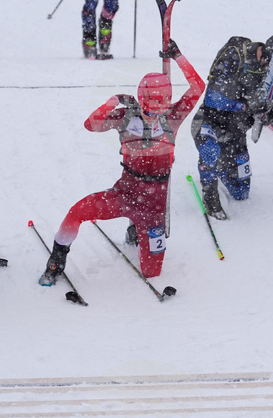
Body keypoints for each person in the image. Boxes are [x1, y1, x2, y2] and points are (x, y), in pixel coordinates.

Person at [39, 38, 204, 286]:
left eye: (159, 111)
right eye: (149, 110)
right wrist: (113, 101)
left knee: (152, 273)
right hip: (125, 194)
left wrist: (178, 56)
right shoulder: (126, 116)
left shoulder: (173, 117)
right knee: (76, 212)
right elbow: (90, 125)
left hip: (154, 209)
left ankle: (136, 229)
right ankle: (56, 260)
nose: (154, 116)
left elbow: (198, 87)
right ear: (141, 101)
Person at [191, 34, 273, 220]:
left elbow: (267, 100)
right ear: (268, 56)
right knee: (210, 151)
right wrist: (246, 105)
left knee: (241, 192)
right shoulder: (235, 54)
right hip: (210, 121)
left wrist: (268, 111)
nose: (271, 72)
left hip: (235, 129)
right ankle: (209, 194)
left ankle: (221, 165)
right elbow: (213, 98)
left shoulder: (270, 70)